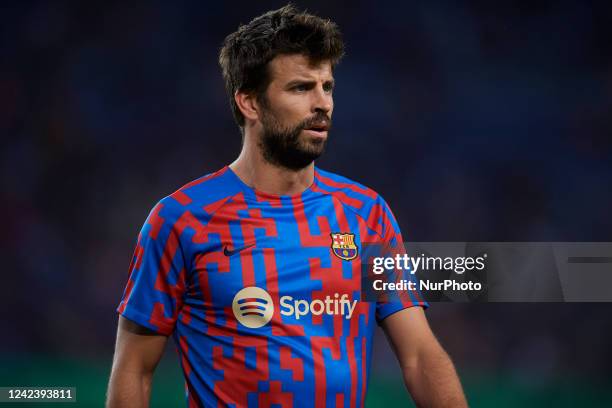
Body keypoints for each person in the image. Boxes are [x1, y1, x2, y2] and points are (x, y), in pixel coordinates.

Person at [106, 5, 467, 407]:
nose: (323, 103)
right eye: (301, 88)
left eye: (327, 87)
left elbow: (419, 356)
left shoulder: (366, 214)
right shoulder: (182, 220)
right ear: (250, 103)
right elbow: (134, 368)